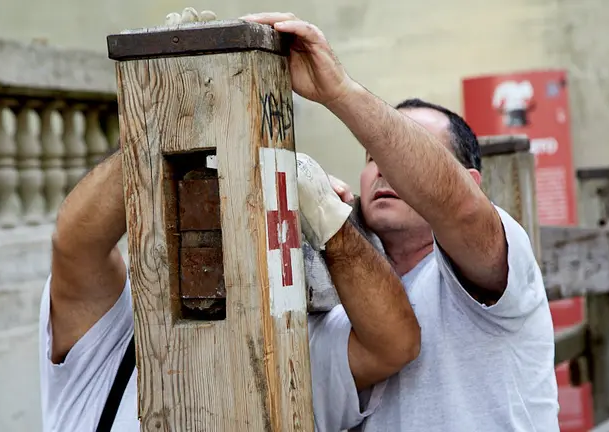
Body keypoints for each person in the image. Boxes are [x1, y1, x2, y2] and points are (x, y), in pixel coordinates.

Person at [39, 8, 422, 432]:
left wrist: (330, 222)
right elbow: (76, 244)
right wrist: (164, 108)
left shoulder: (292, 340)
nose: (205, 229)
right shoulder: (121, 326)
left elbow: (394, 344)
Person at [237, 11, 560, 431]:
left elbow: (459, 209)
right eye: (372, 158)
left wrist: (338, 92)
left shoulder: (498, 260)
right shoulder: (335, 289)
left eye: (403, 157)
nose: (384, 170)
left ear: (471, 183)